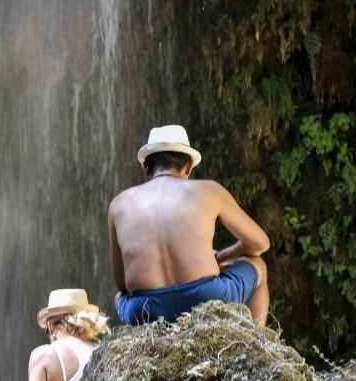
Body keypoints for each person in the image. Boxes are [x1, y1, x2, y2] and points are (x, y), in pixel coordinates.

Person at [109, 124, 270, 327]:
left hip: (145, 309)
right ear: (188, 166)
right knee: (259, 266)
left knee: (119, 297)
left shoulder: (118, 204)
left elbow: (122, 283)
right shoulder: (209, 191)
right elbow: (260, 244)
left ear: (146, 167)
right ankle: (257, 341)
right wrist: (223, 257)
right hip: (205, 297)